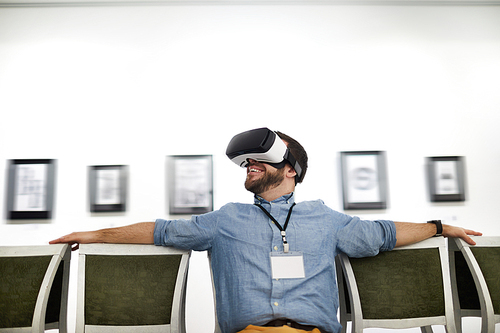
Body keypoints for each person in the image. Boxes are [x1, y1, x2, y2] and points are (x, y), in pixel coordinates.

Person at [50, 128, 481, 333]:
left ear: (290, 169)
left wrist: (439, 226)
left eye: (259, 160)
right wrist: (95, 235)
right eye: (246, 163)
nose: (249, 167)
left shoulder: (325, 219)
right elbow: (160, 231)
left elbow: (382, 234)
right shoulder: (224, 222)